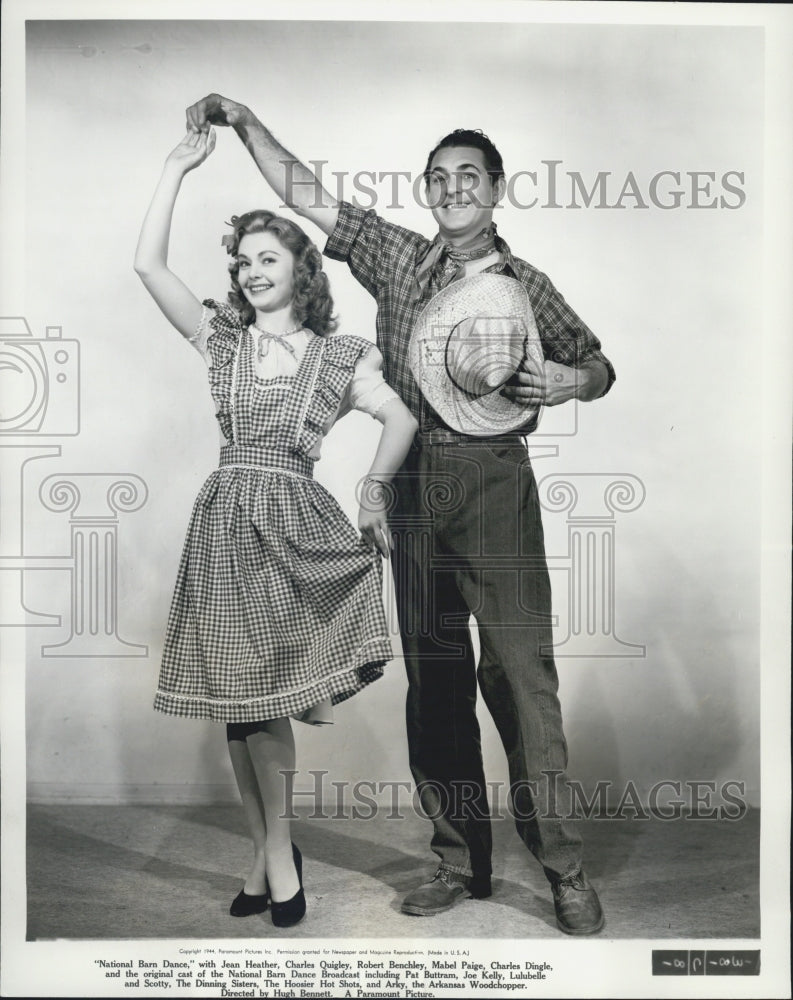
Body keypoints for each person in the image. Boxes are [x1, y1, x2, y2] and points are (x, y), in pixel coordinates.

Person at [184, 94, 616, 936]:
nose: (454, 188)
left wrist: (573, 381)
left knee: (523, 682)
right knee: (435, 683)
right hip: (413, 488)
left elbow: (597, 363)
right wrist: (242, 122)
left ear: (495, 190)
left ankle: (562, 869)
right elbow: (307, 194)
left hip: (495, 482)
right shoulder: (397, 259)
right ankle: (459, 862)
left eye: (470, 176)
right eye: (440, 177)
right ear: (427, 191)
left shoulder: (529, 287)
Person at [133, 128, 418, 929]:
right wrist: (172, 170)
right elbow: (149, 268)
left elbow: (396, 418)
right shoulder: (221, 339)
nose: (251, 274)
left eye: (268, 259)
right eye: (243, 262)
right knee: (239, 701)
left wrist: (371, 491)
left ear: (302, 268)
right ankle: (264, 860)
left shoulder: (338, 356)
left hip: (293, 529)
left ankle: (279, 856)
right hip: (225, 524)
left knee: (268, 703)